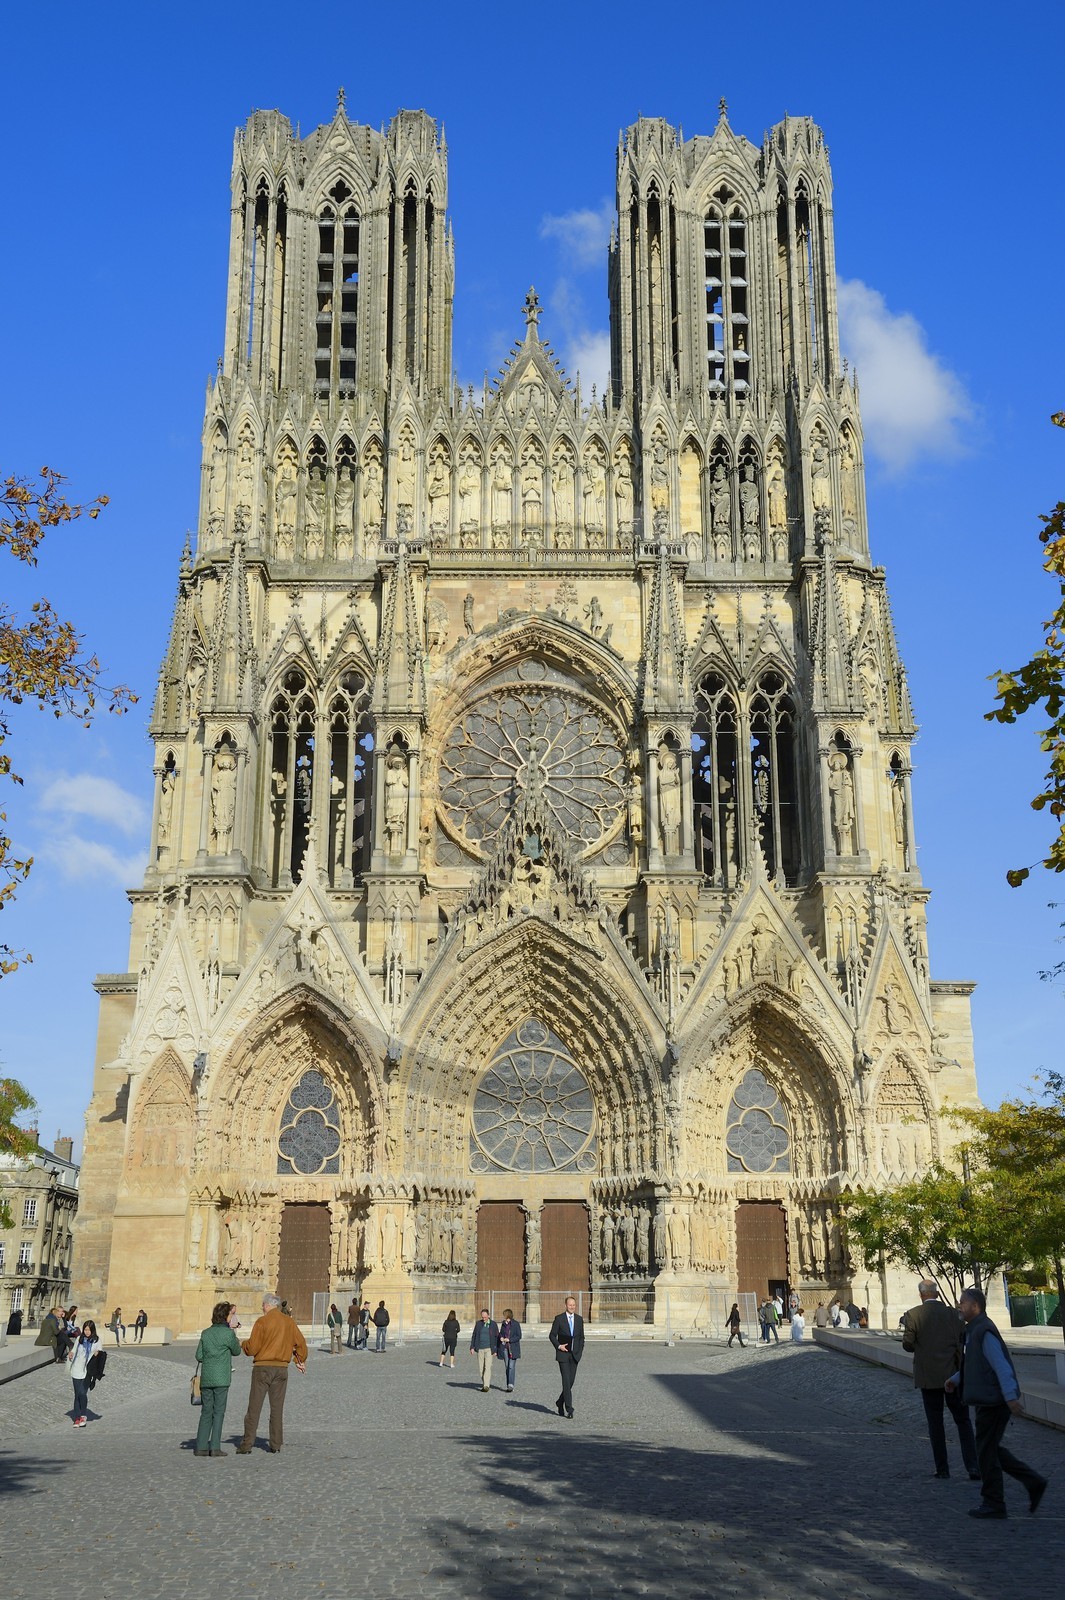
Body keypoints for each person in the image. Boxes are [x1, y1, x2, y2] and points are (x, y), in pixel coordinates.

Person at [946, 1286, 1048, 1519]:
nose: (959, 1305)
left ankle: (994, 1502)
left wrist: (1011, 1397)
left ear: (975, 1306)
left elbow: (1000, 1365)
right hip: (988, 1399)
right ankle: (1033, 1482)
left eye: (963, 1302)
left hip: (994, 1401)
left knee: (986, 1452)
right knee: (990, 1449)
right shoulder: (974, 1329)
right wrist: (955, 1379)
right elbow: (975, 1364)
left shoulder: (984, 1330)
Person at [901, 1279, 980, 1482]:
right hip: (953, 1375)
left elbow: (907, 1344)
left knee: (935, 1424)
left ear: (921, 1295)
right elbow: (963, 1338)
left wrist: (923, 1347)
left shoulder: (913, 1315)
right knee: (963, 1421)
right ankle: (973, 1466)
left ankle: (942, 1468)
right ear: (936, 1293)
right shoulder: (953, 1314)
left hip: (928, 1377)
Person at [236, 1293, 308, 1455]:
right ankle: (275, 1444)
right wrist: (299, 1361)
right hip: (281, 1369)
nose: (262, 1307)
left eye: (263, 1305)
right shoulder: (289, 1322)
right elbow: (301, 1343)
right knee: (277, 1409)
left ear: (268, 1305)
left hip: (262, 1368)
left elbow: (253, 1347)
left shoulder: (262, 1322)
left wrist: (244, 1345)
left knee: (254, 1408)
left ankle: (247, 1445)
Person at [194, 1302, 243, 1458]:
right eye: (231, 1314)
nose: (232, 1317)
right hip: (221, 1378)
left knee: (206, 1411)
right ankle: (215, 1447)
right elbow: (236, 1351)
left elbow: (199, 1356)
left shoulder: (205, 1333)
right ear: (225, 1316)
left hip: (207, 1378)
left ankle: (201, 1446)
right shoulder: (228, 1334)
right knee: (219, 1412)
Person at [549, 1295, 585, 1419]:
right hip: (563, 1355)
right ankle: (569, 1409)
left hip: (574, 1355)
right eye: (570, 1305)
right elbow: (552, 1336)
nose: (572, 1307)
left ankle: (560, 1402)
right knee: (566, 1381)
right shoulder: (559, 1319)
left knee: (571, 1382)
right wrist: (559, 1346)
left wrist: (579, 1351)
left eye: (574, 1305)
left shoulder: (579, 1319)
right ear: (565, 1305)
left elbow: (581, 1338)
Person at [67, 1319, 100, 1427]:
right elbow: (74, 1350)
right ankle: (77, 1418)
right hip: (77, 1369)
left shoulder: (96, 1340)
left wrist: (97, 1353)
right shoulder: (79, 1339)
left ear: (93, 1330)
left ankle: (83, 1414)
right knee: (77, 1395)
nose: (86, 1332)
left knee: (82, 1393)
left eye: (89, 1330)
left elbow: (100, 1353)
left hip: (87, 1371)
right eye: (85, 1330)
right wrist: (71, 1353)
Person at [470, 1308, 499, 1391]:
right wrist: (472, 1347)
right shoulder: (478, 1324)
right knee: (481, 1368)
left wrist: (496, 1349)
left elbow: (497, 1337)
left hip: (489, 1349)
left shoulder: (493, 1324)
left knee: (488, 1367)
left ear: (488, 1316)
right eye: (482, 1317)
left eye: (485, 1317)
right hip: (480, 1349)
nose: (484, 1319)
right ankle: (485, 1382)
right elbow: (474, 1335)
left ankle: (486, 1386)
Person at [496, 1309, 522, 1392]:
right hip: (504, 1348)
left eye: (504, 1315)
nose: (503, 1317)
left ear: (508, 1315)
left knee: (511, 1366)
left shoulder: (515, 1324)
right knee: (507, 1366)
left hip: (513, 1348)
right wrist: (501, 1337)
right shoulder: (504, 1324)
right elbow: (501, 1333)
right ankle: (508, 1384)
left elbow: (519, 1336)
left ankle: (511, 1385)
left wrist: (509, 1339)